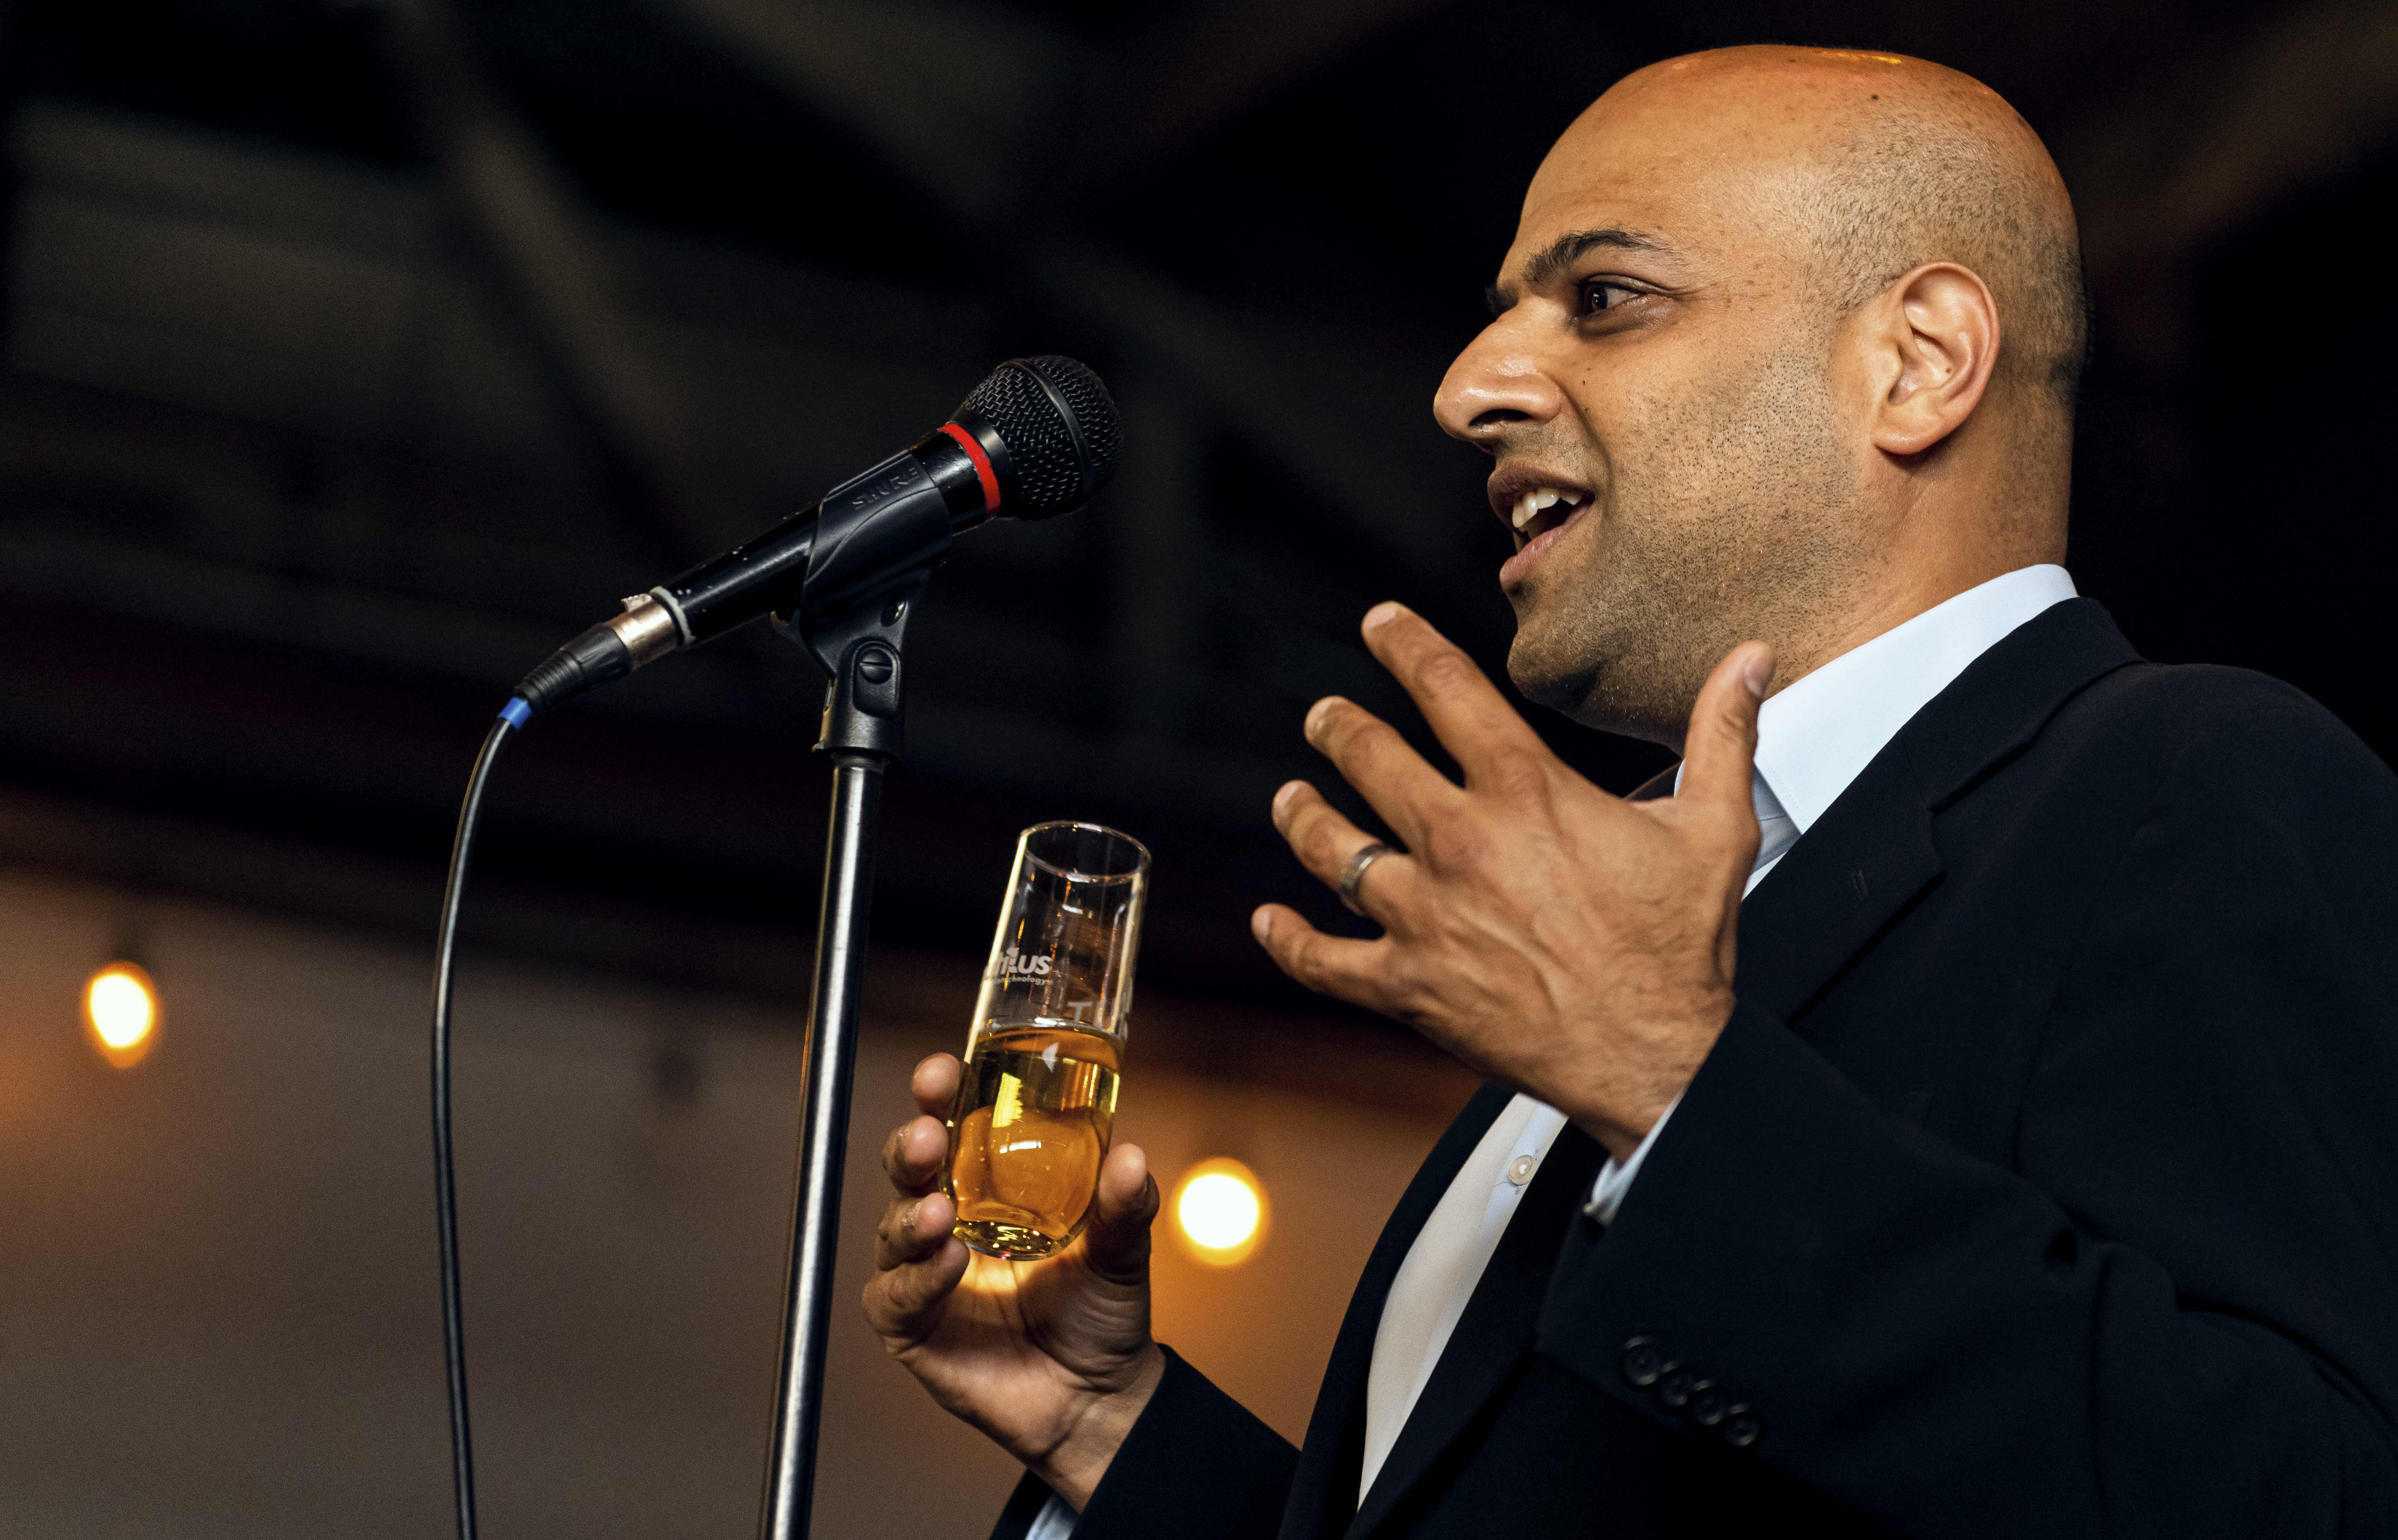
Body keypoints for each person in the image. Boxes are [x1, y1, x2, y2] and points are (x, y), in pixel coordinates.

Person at [864, 45, 2398, 1538]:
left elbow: (2307, 1492)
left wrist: (1677, 1086)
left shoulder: (2194, 783)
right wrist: (1103, 1418)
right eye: (1501, 317)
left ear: (1920, 360)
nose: (1470, 387)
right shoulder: (1641, 921)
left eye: (1606, 298)